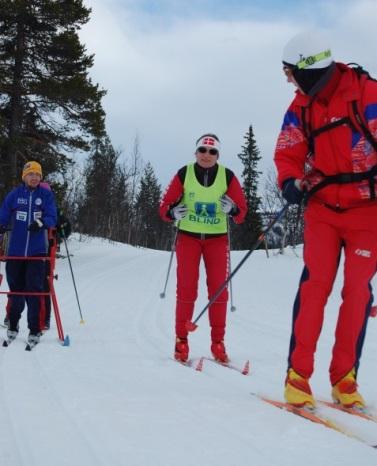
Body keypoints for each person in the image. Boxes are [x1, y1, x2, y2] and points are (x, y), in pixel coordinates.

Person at [274, 31, 377, 409]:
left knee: (357, 293)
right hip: (323, 210)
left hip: (368, 209)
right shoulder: (301, 106)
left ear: (307, 68)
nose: (287, 79)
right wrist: (289, 181)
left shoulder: (367, 95)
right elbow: (288, 150)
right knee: (315, 285)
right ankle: (298, 376)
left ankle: (344, 379)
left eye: (289, 72)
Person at [159, 134, 247, 363]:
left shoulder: (227, 176)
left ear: (218, 155)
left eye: (212, 152)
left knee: (218, 291)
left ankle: (218, 343)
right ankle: (181, 341)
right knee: (187, 290)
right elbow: (164, 206)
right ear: (195, 152)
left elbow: (242, 212)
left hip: (217, 240)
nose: (207, 155)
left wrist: (234, 210)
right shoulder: (184, 173)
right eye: (202, 150)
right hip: (188, 238)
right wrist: (172, 212)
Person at [0, 161, 57, 345]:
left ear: (40, 178)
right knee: (15, 291)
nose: (34, 177)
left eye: (37, 175)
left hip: (36, 252)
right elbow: (3, 214)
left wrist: (41, 223)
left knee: (34, 292)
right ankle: (13, 326)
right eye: (31, 174)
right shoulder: (15, 195)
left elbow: (52, 216)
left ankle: (35, 329)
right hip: (15, 252)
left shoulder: (45, 195)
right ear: (24, 176)